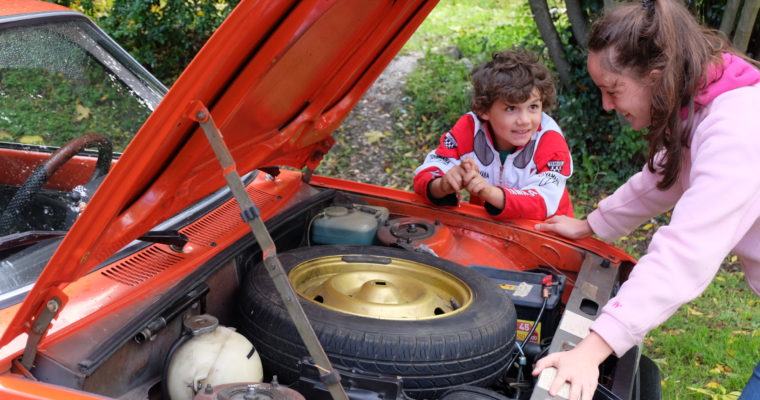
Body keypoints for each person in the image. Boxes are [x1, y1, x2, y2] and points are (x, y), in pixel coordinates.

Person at [531, 1, 760, 399]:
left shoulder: (737, 131)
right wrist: (591, 226)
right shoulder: (703, 96)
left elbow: (685, 254)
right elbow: (664, 174)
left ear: (656, 76)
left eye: (612, 90)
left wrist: (592, 349)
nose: (606, 105)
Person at [413, 49, 574, 220]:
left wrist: (489, 192)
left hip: (547, 233)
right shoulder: (470, 129)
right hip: (491, 228)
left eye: (533, 107)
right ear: (484, 110)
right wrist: (443, 184)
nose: (525, 120)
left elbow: (543, 202)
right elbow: (428, 171)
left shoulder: (550, 140)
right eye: (511, 108)